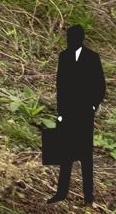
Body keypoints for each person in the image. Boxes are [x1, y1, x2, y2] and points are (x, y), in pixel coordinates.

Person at [54, 24, 106, 205]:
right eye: (68, 37)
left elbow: (100, 85)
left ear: (80, 38)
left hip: (84, 113)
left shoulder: (92, 58)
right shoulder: (64, 57)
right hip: (67, 112)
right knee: (65, 153)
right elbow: (60, 86)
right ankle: (61, 193)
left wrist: (92, 106)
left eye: (73, 37)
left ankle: (88, 196)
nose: (70, 40)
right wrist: (60, 112)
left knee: (85, 155)